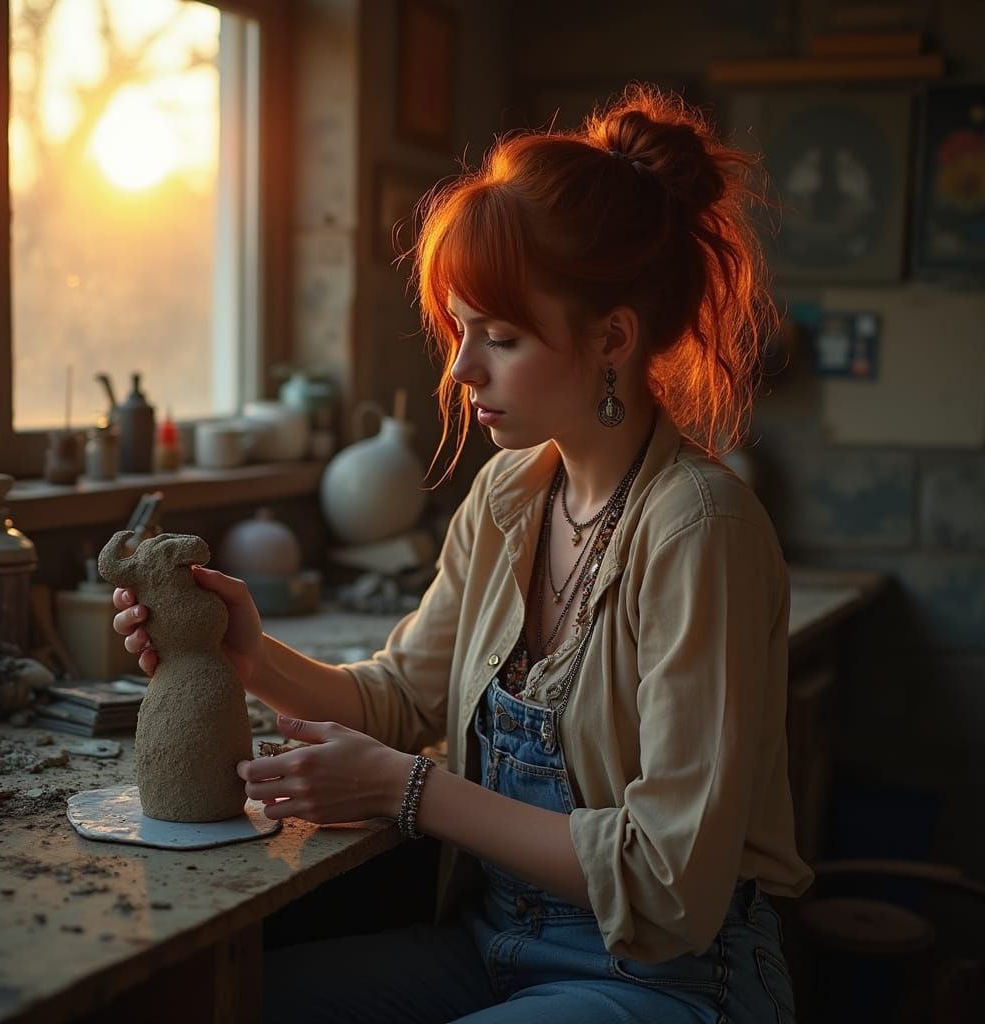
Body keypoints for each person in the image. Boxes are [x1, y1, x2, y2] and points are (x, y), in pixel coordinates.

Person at [113, 83, 813, 1023]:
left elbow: (668, 881)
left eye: (501, 338)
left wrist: (411, 792)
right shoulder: (512, 494)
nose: (461, 370)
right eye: (460, 332)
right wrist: (246, 653)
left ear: (611, 339)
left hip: (671, 975)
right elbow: (404, 699)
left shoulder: (700, 532)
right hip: (496, 945)